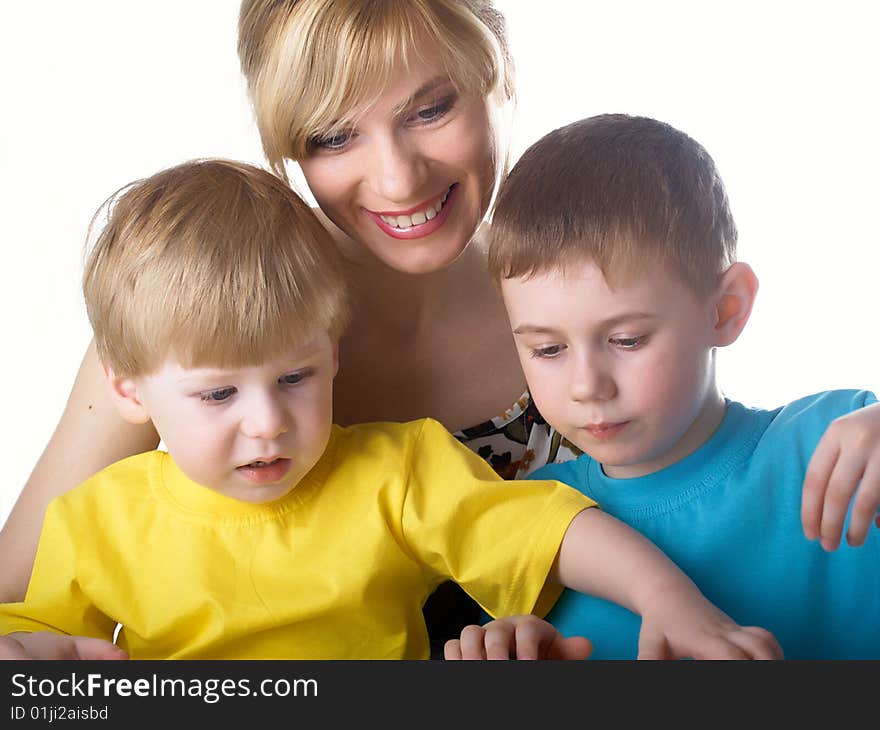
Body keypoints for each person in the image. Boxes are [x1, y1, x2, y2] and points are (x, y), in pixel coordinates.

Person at [0, 0, 877, 655]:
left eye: (430, 108)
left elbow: (728, 474)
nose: (397, 177)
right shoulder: (213, 320)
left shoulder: (564, 286)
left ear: (494, 75)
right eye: (333, 135)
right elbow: (20, 598)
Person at [0, 158, 786, 660]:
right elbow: (18, 631)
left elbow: (552, 529)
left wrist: (669, 601)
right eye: (217, 394)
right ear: (128, 388)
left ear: (334, 352)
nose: (268, 422)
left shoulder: (395, 471)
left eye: (297, 377)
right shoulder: (95, 522)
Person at [451, 113, 880, 660]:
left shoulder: (835, 447)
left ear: (725, 310)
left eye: (628, 339)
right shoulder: (533, 522)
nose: (587, 386)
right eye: (548, 350)